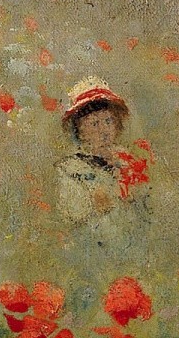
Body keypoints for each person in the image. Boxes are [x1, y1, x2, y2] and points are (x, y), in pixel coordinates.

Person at [56, 77, 148, 245]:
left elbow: (145, 202)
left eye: (108, 121)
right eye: (94, 124)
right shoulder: (71, 168)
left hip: (133, 239)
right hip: (94, 242)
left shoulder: (126, 159)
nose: (103, 130)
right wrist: (94, 204)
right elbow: (71, 214)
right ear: (80, 130)